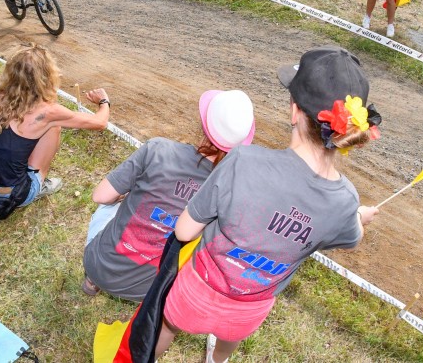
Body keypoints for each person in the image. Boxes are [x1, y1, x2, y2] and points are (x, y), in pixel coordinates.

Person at [154, 46, 380, 363]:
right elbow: (351, 234)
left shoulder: (243, 161)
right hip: (248, 311)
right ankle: (217, 359)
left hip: (196, 294)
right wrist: (360, 216)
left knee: (166, 326)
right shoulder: (345, 202)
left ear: (294, 112)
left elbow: (185, 230)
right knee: (228, 339)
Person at [82, 89, 255, 301]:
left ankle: (93, 280)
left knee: (110, 204)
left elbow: (100, 196)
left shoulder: (158, 150)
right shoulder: (231, 188)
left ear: (204, 124)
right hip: (149, 291)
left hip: (101, 266)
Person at [0, 43, 110, 218]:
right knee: (53, 127)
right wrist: (103, 101)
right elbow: (100, 122)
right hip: (10, 195)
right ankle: (38, 184)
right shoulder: (47, 112)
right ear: (45, 76)